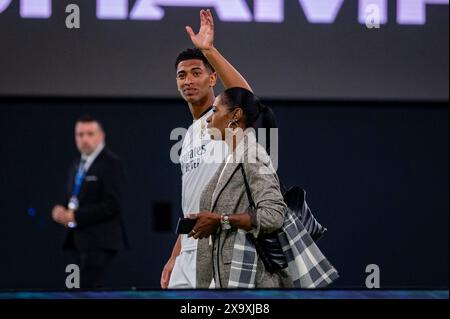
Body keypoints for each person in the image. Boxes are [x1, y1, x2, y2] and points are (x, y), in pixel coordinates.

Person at [185, 10, 339, 289]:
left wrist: (208, 51)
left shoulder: (252, 153)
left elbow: (272, 215)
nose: (210, 116)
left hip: (254, 281)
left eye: (216, 110)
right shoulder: (221, 155)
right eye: (181, 75)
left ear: (235, 116)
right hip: (226, 280)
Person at [160, 8, 268, 288]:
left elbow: (248, 99)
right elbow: (192, 203)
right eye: (182, 75)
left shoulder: (224, 121)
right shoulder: (187, 136)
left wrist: (209, 51)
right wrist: (175, 254)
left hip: (222, 246)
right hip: (188, 252)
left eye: (197, 73)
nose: (188, 80)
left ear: (212, 79)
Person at [52, 115, 128, 289]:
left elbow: (113, 205)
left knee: (85, 290)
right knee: (75, 290)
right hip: (76, 242)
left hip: (100, 242)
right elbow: (74, 197)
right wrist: (60, 211)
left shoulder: (111, 164)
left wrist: (75, 216)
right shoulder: (76, 164)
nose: (84, 139)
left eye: (89, 134)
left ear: (101, 136)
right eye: (80, 134)